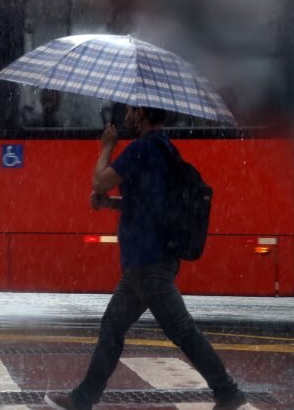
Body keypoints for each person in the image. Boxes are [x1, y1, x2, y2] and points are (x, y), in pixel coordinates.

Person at [44, 104, 248, 410]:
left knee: (182, 331)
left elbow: (100, 180)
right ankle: (82, 398)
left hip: (147, 261)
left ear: (140, 114)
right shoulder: (164, 148)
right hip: (149, 259)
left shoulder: (140, 149)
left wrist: (107, 147)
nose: (124, 116)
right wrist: (111, 205)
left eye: (129, 110)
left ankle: (228, 391)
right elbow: (147, 203)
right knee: (114, 326)